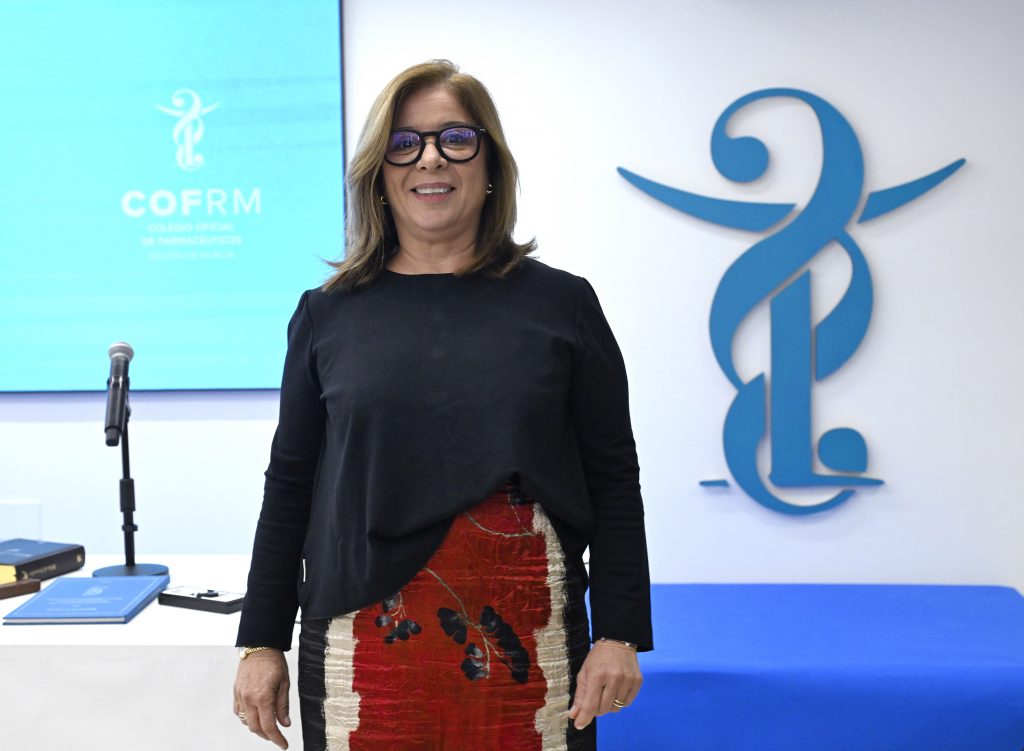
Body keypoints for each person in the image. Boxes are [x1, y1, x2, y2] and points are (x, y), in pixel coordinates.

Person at [233, 59, 652, 751]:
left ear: (490, 165)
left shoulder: (563, 305)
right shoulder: (326, 314)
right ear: (379, 174)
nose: (430, 158)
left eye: (455, 138)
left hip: (529, 649)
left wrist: (619, 631)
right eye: (404, 143)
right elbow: (290, 485)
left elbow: (613, 477)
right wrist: (260, 640)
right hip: (362, 652)